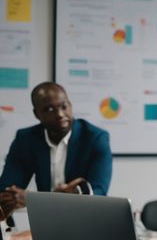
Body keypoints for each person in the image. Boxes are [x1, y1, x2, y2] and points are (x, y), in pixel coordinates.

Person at [0, 82, 112, 219]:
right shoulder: (26, 139)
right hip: (44, 220)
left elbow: (99, 193)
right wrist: (14, 198)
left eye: (64, 106)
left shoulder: (95, 138)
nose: (60, 114)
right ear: (37, 114)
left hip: (84, 219)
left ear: (70, 105)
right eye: (49, 109)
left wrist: (31, 199)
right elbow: (6, 191)